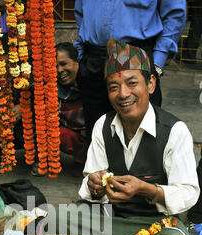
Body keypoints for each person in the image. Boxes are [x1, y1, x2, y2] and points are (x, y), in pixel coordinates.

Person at [77, 38, 202, 235]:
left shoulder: (175, 131)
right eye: (113, 87)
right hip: (111, 222)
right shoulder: (102, 127)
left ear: (151, 85)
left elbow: (188, 193)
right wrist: (94, 185)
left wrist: (148, 190)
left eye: (132, 83)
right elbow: (87, 184)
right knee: (54, 223)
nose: (123, 94)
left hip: (156, 229)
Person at [74, 0, 187, 143]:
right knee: (97, 131)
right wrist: (80, 55)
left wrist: (158, 61)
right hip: (94, 60)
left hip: (137, 56)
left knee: (141, 135)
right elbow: (80, 14)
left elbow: (175, 14)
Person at [56, 42, 88, 177]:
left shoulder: (91, 83)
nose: (59, 70)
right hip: (75, 135)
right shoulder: (55, 89)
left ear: (77, 62)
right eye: (55, 66)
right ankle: (80, 159)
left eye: (63, 64)